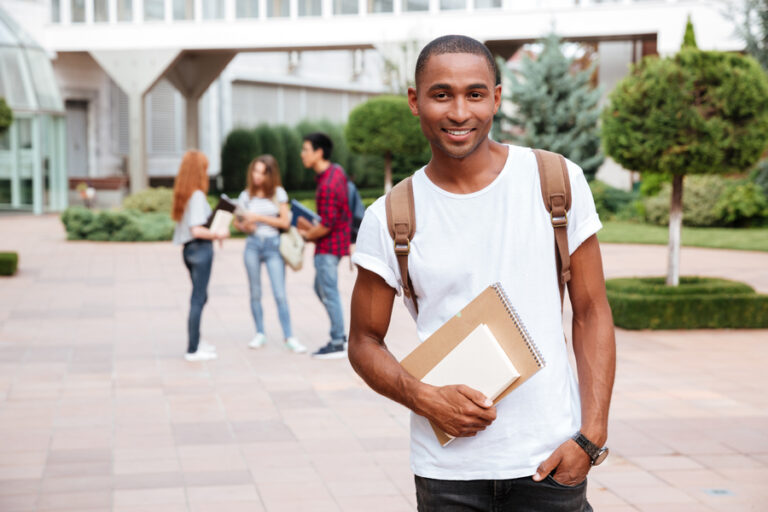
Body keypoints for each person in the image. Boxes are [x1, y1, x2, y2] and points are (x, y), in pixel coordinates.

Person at [348, 35, 616, 511]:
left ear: (496, 96)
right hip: (449, 474)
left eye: (474, 93)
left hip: (551, 460)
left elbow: (591, 310)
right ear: (415, 101)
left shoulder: (554, 182)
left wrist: (591, 436)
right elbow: (364, 341)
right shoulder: (391, 216)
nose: (458, 112)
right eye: (441, 94)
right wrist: (423, 397)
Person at [233, 155, 306, 354]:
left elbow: (284, 222)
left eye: (262, 172)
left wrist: (257, 217)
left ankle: (289, 336)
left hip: (273, 246)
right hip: (253, 245)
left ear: (270, 175)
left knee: (280, 294)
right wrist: (245, 225)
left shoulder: (278, 194)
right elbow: (238, 223)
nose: (257, 176)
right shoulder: (245, 196)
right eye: (255, 171)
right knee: (255, 292)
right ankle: (259, 333)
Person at [297, 132, 351, 359]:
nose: (302, 154)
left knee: (328, 292)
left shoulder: (328, 183)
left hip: (328, 247)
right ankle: (340, 336)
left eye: (306, 149)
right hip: (336, 245)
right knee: (322, 289)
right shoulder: (336, 171)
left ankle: (338, 341)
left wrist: (307, 235)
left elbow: (327, 224)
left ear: (319, 153)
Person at [171, 150, 229, 362]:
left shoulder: (185, 194)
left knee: (200, 297)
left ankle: (196, 341)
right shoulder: (196, 195)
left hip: (189, 250)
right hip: (199, 249)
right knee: (198, 299)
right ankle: (193, 348)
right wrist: (218, 233)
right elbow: (197, 229)